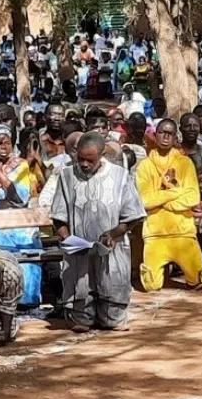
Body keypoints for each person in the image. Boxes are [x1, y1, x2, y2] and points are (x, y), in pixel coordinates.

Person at [49, 132, 146, 333]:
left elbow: (133, 216)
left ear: (101, 155)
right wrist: (68, 239)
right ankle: (81, 311)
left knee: (113, 319)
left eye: (90, 160)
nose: (84, 164)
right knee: (81, 320)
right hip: (79, 254)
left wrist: (113, 233)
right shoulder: (66, 176)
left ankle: (111, 311)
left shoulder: (120, 176)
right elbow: (58, 217)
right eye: (80, 158)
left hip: (111, 251)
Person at [135, 118, 202, 291]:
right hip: (155, 234)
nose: (166, 137)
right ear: (155, 135)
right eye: (162, 133)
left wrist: (162, 201)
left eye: (170, 134)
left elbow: (193, 198)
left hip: (183, 232)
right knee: (151, 286)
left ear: (176, 138)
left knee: (197, 280)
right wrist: (175, 192)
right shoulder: (144, 166)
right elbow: (144, 201)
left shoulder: (185, 163)